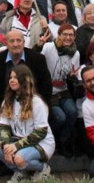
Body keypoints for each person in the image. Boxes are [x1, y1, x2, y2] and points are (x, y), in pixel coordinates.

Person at [0, 65, 54, 181]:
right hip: (17, 139)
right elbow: (4, 127)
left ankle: (42, 168)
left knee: (19, 158)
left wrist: (16, 146)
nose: (12, 80)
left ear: (24, 79)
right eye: (11, 77)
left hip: (40, 142)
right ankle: (20, 171)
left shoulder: (36, 102)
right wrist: (6, 146)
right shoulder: (8, 100)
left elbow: (41, 132)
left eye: (16, 77)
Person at [34, 23, 79, 157]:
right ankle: (48, 140)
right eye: (65, 34)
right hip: (49, 90)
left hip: (63, 88)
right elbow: (34, 60)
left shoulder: (75, 53)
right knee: (60, 117)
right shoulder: (49, 47)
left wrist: (72, 77)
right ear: (59, 35)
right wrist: (38, 46)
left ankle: (63, 141)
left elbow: (72, 74)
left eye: (71, 35)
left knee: (72, 112)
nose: (68, 37)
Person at [0, 31, 53, 117]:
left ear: (24, 42)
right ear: (6, 43)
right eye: (12, 41)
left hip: (32, 106)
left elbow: (46, 87)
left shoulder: (38, 59)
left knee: (59, 118)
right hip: (6, 108)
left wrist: (39, 109)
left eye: (18, 40)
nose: (15, 44)